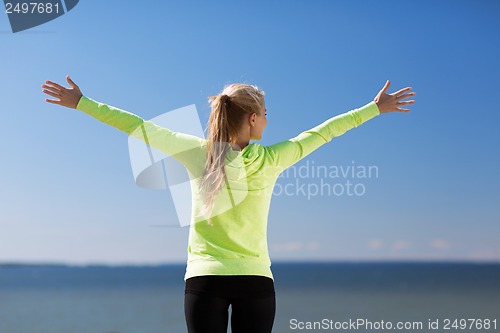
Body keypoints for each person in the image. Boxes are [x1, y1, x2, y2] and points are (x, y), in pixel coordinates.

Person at [42, 76, 416, 333]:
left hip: (204, 281)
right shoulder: (273, 158)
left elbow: (139, 127)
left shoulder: (197, 153)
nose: (268, 122)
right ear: (252, 119)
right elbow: (324, 132)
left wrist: (83, 104)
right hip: (256, 281)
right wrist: (373, 109)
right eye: (266, 115)